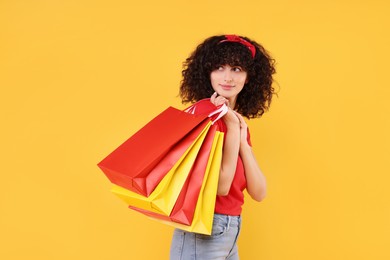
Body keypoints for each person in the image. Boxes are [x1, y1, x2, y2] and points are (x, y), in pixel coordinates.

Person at [170, 34, 276, 260]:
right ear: (207, 73)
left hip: (231, 229)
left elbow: (259, 192)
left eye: (237, 69)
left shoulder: (236, 121)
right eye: (219, 67)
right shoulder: (203, 116)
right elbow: (221, 186)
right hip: (204, 229)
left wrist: (242, 140)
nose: (227, 77)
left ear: (248, 77)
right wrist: (230, 125)